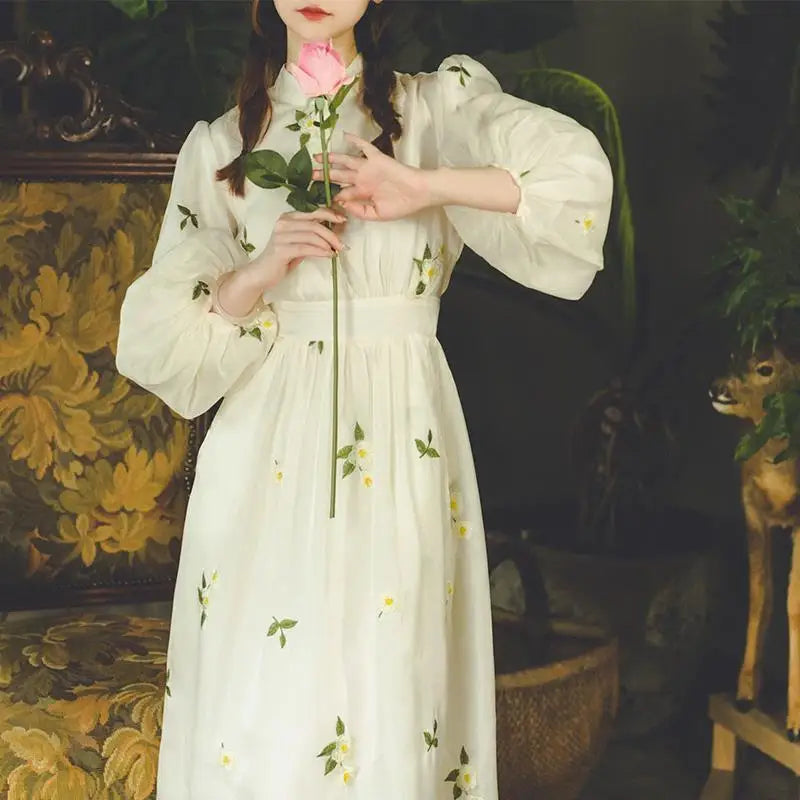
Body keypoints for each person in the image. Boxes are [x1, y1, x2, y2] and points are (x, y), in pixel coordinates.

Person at [116, 0, 613, 797]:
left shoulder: (435, 111)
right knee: (266, 683)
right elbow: (161, 345)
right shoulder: (222, 144)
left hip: (402, 427)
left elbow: (571, 184)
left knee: (393, 668)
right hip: (265, 442)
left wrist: (421, 185)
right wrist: (258, 273)